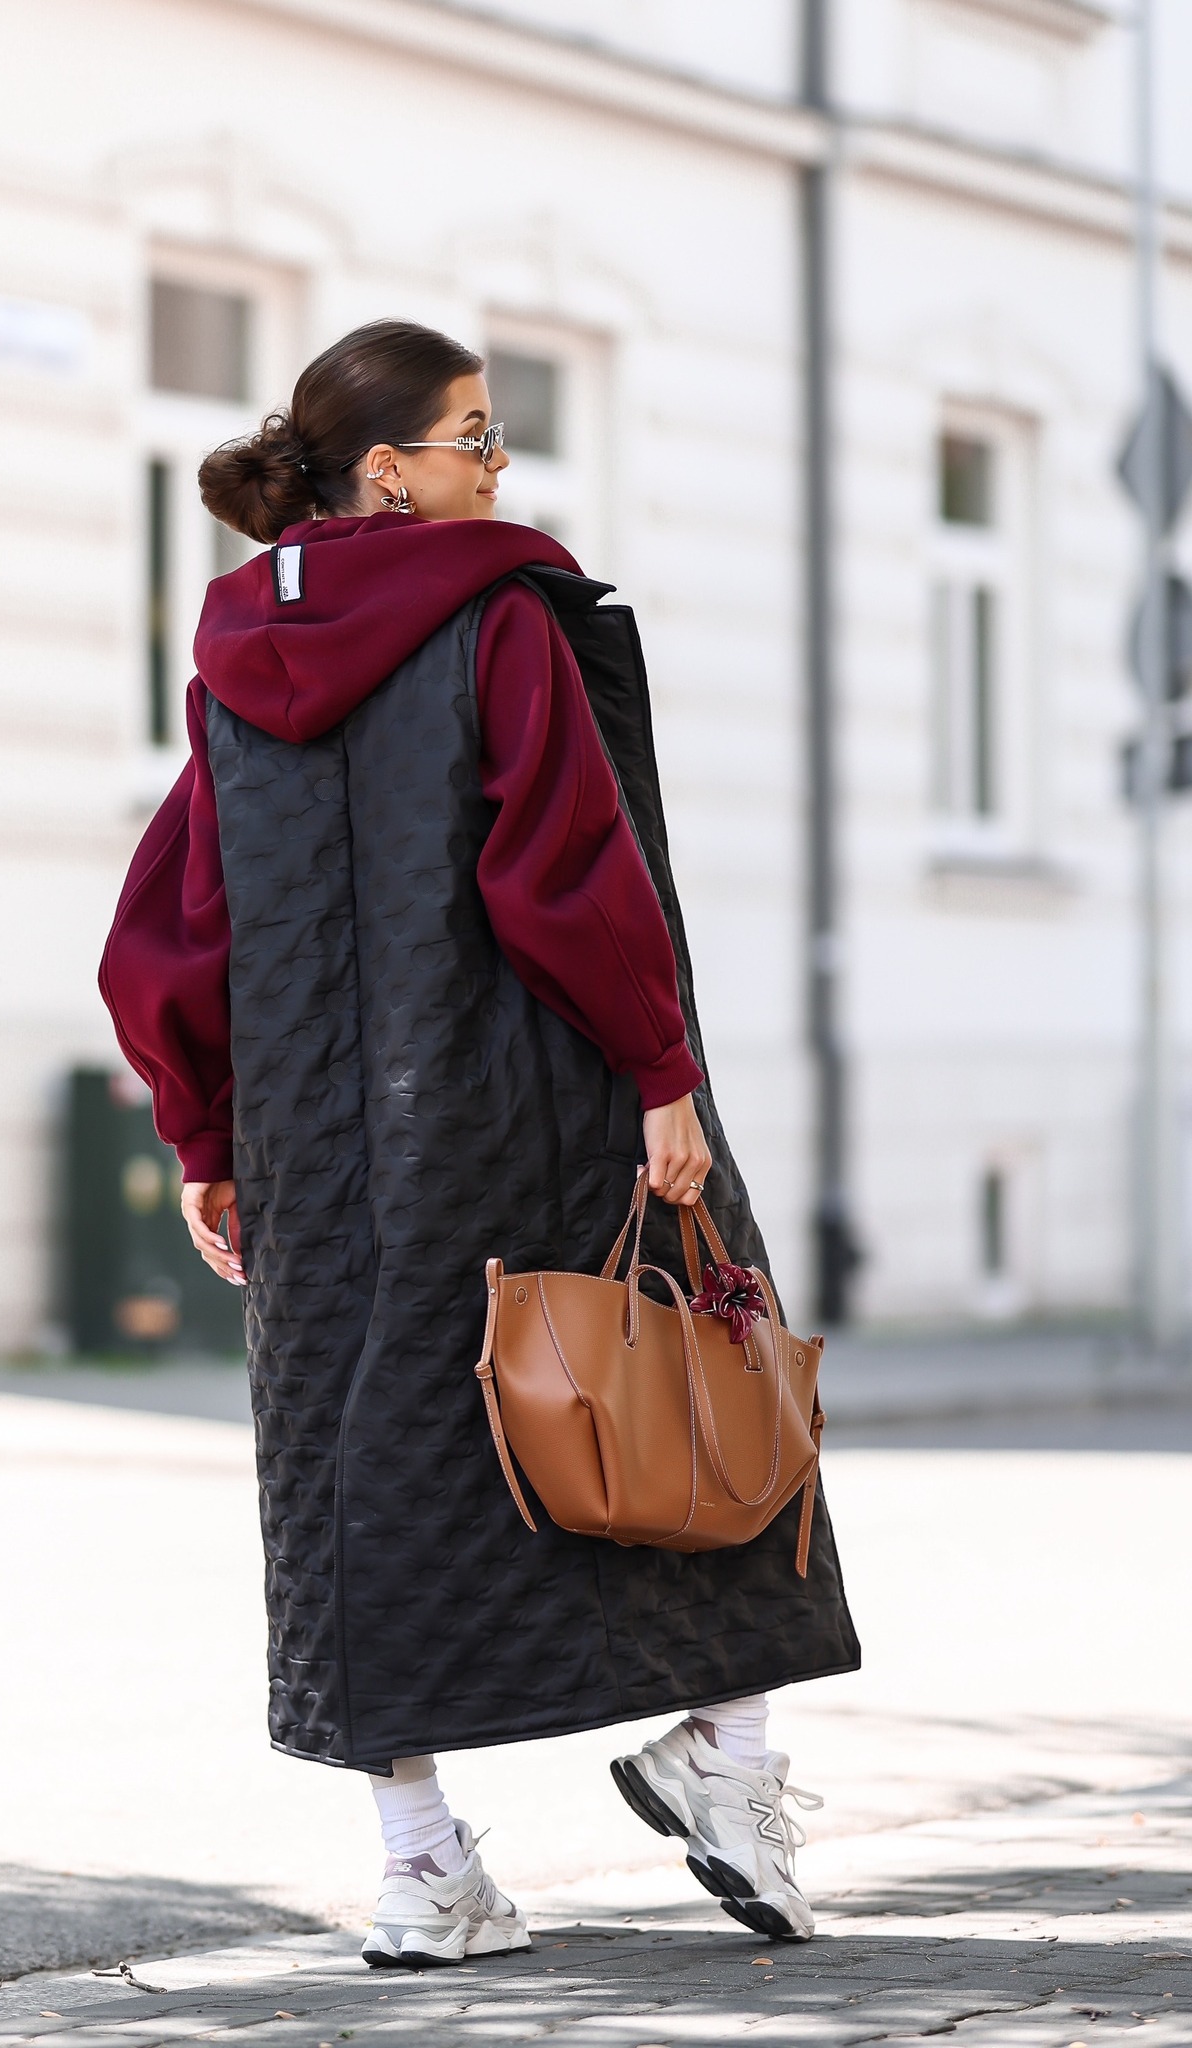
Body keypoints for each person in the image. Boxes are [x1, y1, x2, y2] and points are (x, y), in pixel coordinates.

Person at [100, 320, 860, 1970]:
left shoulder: (231, 658)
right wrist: (659, 1067)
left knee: (359, 1470)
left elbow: (171, 921)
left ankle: (421, 1871)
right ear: (390, 472)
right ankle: (729, 1768)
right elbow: (563, 861)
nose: (499, 467)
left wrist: (204, 1126)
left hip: (318, 1135)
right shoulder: (497, 615)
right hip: (535, 1095)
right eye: (477, 437)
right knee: (697, 1369)